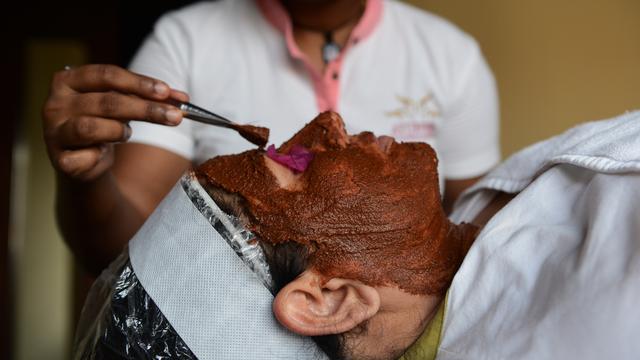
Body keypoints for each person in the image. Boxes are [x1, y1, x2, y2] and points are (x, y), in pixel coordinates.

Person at [75, 110, 640, 360]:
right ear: (330, 300)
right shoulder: (599, 318)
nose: (328, 123)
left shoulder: (465, 226)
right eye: (295, 162)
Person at [42, 0, 500, 274]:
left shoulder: (450, 58)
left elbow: (474, 236)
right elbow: (117, 247)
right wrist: (87, 178)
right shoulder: (188, 39)